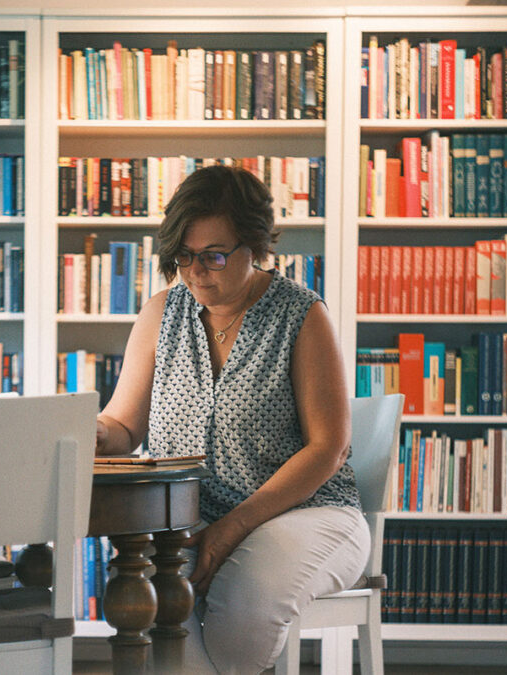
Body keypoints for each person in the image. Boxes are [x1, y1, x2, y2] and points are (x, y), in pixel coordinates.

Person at [95, 165, 370, 673]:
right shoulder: (160, 313)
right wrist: (92, 433)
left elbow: (327, 447)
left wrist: (232, 529)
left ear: (256, 246)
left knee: (244, 615)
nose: (196, 271)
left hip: (306, 515)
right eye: (184, 257)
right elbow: (124, 427)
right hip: (188, 518)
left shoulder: (301, 315)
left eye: (214, 256)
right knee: (147, 609)